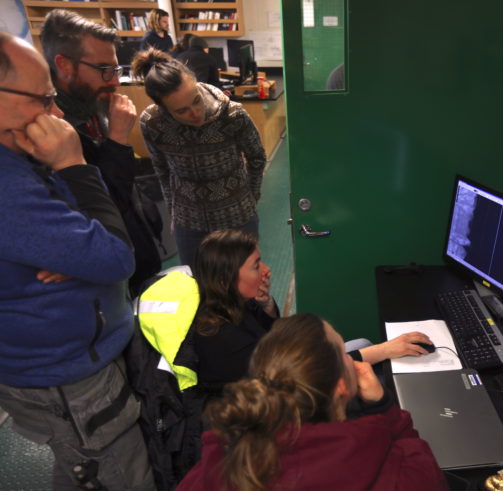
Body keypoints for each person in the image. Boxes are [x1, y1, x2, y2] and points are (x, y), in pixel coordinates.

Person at [0, 33, 155, 490]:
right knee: (118, 472)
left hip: (86, 354)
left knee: (85, 465)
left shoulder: (20, 151)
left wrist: (81, 246)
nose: (58, 113)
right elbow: (113, 255)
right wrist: (73, 164)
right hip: (68, 378)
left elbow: (97, 236)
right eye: (43, 99)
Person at [177, 312, 449, 490]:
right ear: (342, 388)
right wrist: (384, 409)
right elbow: (427, 472)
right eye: (343, 351)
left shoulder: (210, 469)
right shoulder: (397, 475)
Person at [189, 229, 435, 399]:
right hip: (278, 407)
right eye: (256, 266)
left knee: (364, 345)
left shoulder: (232, 301)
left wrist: (266, 306)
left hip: (280, 382)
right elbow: (297, 376)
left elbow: (278, 343)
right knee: (380, 380)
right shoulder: (224, 341)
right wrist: (384, 350)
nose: (267, 270)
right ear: (225, 280)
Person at [41, 8, 162, 295]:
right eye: (105, 69)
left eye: (116, 69)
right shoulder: (51, 131)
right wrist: (118, 138)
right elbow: (103, 204)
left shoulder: (92, 103)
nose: (115, 81)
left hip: (135, 254)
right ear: (65, 65)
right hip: (105, 283)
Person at [132, 49, 267, 266]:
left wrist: (251, 197)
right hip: (189, 220)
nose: (195, 113)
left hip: (237, 214)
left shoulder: (232, 115)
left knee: (242, 286)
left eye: (196, 100)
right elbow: (161, 169)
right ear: (162, 108)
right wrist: (173, 211)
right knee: (197, 285)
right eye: (182, 111)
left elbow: (257, 157)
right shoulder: (153, 123)